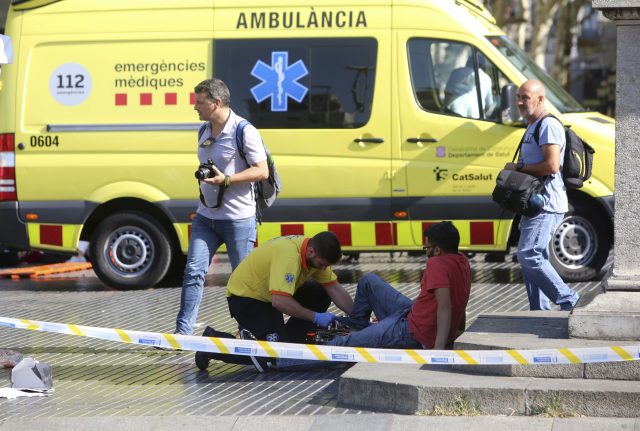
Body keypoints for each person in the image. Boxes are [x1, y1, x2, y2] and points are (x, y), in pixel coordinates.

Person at [174, 78, 269, 336]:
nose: (195, 108)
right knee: (193, 271)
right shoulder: (204, 130)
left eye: (200, 102)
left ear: (216, 103)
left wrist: (226, 179)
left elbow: (262, 171)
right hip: (206, 216)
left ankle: (247, 332)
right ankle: (182, 334)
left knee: (242, 280)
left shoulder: (244, 130)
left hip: (238, 219)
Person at [195, 231, 354, 371]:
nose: (323, 269)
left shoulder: (313, 251)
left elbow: (335, 289)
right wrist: (315, 317)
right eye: (321, 265)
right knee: (276, 357)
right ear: (311, 251)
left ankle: (288, 340)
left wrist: (357, 318)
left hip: (268, 295)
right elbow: (280, 302)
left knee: (321, 292)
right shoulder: (289, 256)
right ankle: (211, 343)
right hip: (246, 299)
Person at [326, 221, 471, 350]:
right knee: (368, 281)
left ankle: (304, 358)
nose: (426, 252)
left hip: (411, 332)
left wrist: (439, 348)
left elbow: (445, 306)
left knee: (343, 344)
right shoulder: (462, 260)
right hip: (411, 313)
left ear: (437, 250)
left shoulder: (437, 263)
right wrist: (458, 333)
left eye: (426, 248)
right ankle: (358, 328)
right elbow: (461, 300)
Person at [503, 79, 580, 311]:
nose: (519, 102)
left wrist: (517, 169)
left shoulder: (548, 125)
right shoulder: (532, 125)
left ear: (540, 99)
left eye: (525, 97)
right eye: (518, 96)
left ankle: (571, 301)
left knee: (529, 255)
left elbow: (552, 166)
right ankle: (539, 312)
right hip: (533, 204)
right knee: (533, 261)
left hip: (545, 204)